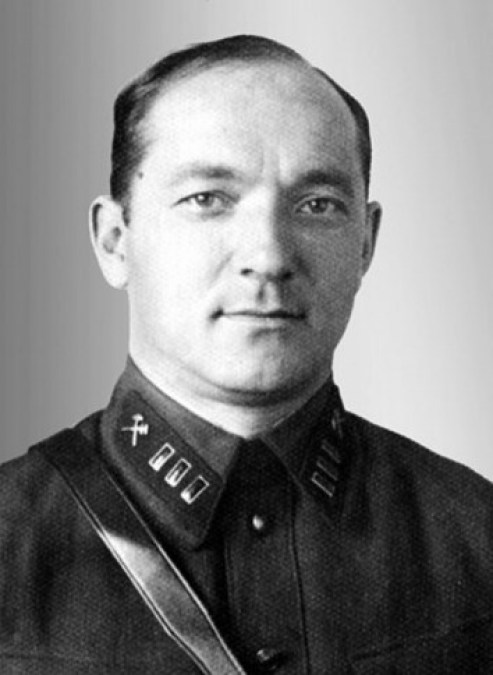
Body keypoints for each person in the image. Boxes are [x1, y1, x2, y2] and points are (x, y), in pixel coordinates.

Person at [0, 34, 492, 675]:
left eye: (317, 205)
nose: (269, 256)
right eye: (207, 199)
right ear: (116, 241)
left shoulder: (476, 535)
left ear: (366, 244)